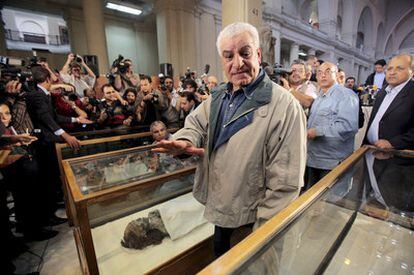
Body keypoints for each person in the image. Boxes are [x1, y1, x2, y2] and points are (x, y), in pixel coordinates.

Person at [154, 22, 307, 257]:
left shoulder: (285, 107)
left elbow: (285, 184)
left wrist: (260, 238)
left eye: (245, 53)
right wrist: (186, 139)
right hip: (222, 209)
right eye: (228, 56)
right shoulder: (219, 96)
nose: (237, 63)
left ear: (257, 54)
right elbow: (195, 122)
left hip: (252, 219)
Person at [306, 62, 359, 189]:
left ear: (337, 75)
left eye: (328, 71)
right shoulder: (319, 98)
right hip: (313, 159)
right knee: (310, 203)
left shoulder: (346, 95)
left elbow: (348, 126)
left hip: (332, 163)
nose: (323, 75)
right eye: (319, 72)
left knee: (330, 204)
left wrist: (316, 131)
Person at [364, 54, 414, 150]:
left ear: (412, 72)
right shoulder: (382, 91)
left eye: (399, 68)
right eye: (389, 68)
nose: (392, 72)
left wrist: (393, 143)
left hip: (398, 157)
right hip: (370, 150)